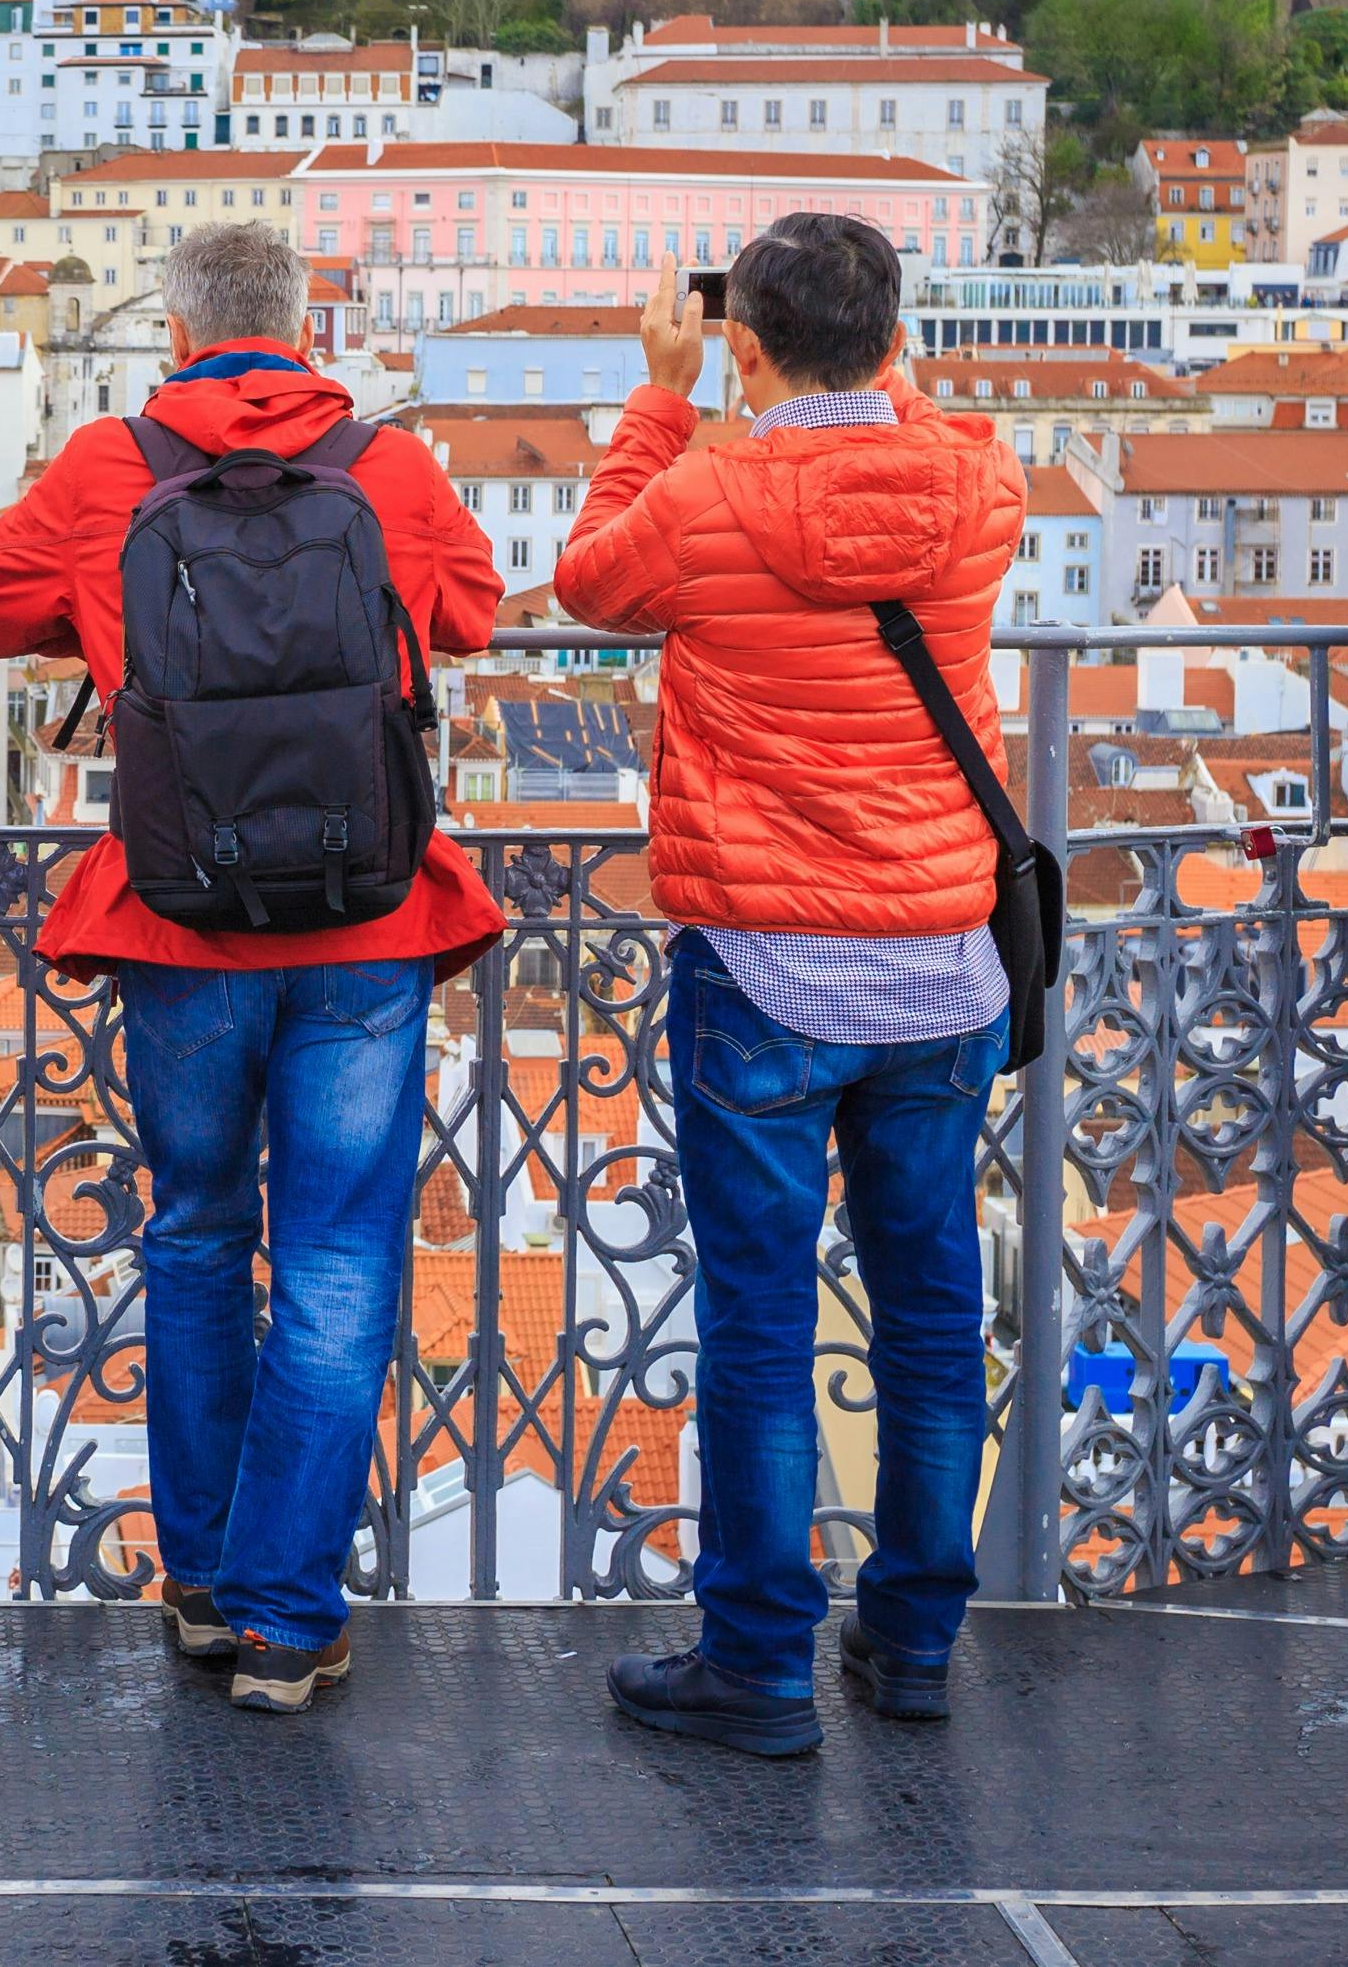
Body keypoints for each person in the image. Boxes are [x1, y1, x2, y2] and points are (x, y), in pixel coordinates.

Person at [0, 220, 502, 1713]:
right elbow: (472, 610)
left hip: (179, 917)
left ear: (180, 334)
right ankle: (284, 1611)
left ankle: (200, 1581)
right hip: (361, 920)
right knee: (335, 1253)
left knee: (196, 1228)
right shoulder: (386, 467)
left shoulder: (106, 462)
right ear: (306, 324)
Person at [556, 218, 1022, 1759]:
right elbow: (934, 438)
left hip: (764, 960)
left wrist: (664, 395)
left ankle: (758, 1660)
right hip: (943, 962)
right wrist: (878, 383)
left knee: (761, 1321)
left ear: (744, 341)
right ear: (893, 339)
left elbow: (587, 581)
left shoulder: (709, 485)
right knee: (934, 1314)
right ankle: (913, 1642)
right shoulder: (979, 481)